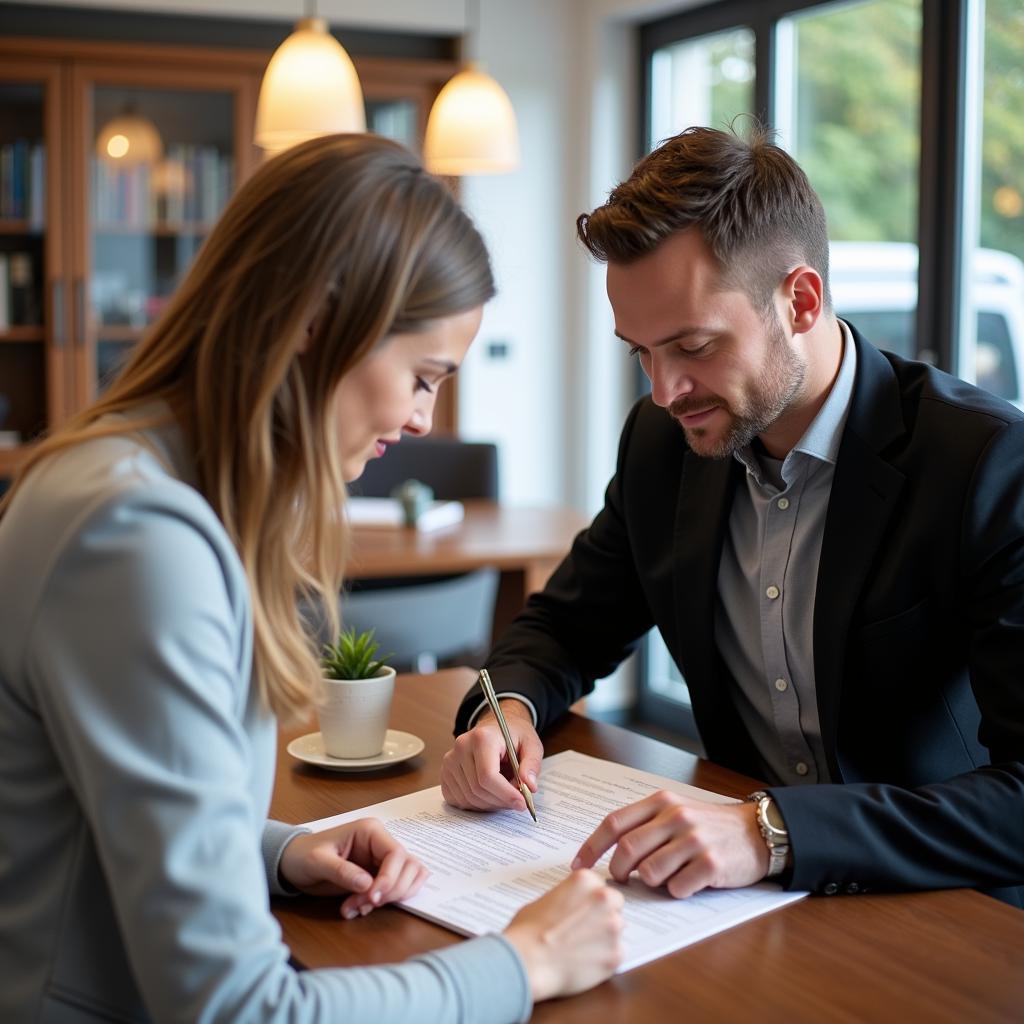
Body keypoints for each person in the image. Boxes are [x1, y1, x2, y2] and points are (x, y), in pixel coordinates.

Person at [0, 134, 624, 1023]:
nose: (421, 418)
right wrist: (524, 962)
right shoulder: (138, 539)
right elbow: (239, 1009)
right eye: (421, 376)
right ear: (314, 320)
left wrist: (279, 852)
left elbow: (98, 801)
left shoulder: (124, 483)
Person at [441, 124, 1024, 909]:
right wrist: (504, 712)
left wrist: (771, 830)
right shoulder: (662, 444)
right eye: (640, 353)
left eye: (693, 345)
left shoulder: (987, 465)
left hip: (937, 907)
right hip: (736, 908)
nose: (664, 390)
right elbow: (565, 626)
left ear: (801, 301)